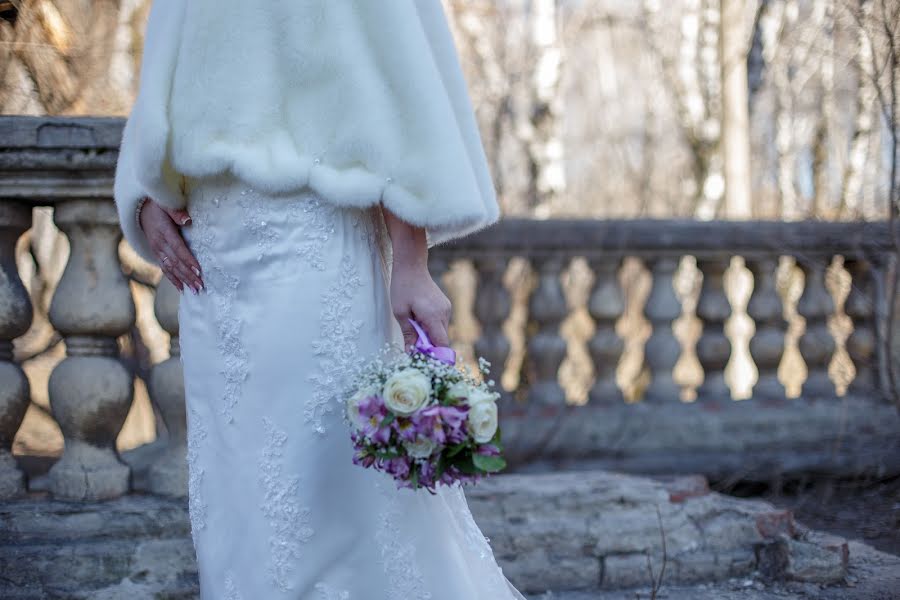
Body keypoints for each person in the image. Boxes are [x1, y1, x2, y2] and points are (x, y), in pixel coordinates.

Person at [114, 1, 528, 598]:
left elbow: (395, 83)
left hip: (310, 245)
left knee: (314, 483)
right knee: (235, 492)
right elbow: (172, 65)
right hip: (212, 262)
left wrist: (411, 262)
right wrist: (148, 192)